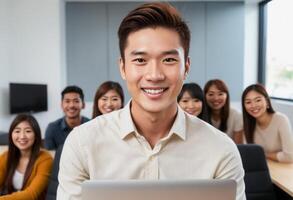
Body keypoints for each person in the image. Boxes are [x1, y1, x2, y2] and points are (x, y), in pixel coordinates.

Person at [57, 3, 246, 200]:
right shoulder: (82, 143)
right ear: (123, 67)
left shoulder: (221, 149)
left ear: (186, 67)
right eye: (140, 60)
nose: (154, 75)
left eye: (169, 60)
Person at [0, 114, 53, 199]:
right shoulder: (6, 156)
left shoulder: (46, 159)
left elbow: (31, 195)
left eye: (28, 131)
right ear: (11, 134)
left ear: (36, 135)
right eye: (17, 131)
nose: (22, 136)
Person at [242, 83, 293, 163]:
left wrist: (263, 154)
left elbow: (289, 156)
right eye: (248, 102)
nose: (253, 105)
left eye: (258, 100)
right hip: (261, 168)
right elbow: (249, 154)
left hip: (282, 169)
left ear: (267, 102)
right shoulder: (247, 123)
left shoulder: (281, 120)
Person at [44, 86, 89, 150]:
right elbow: (50, 155)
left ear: (83, 105)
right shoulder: (52, 128)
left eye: (76, 101)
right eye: (67, 101)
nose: (71, 105)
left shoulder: (91, 125)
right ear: (61, 105)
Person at [204, 79, 244, 144]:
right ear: (205, 96)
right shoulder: (200, 115)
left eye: (220, 94)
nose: (216, 98)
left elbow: (239, 147)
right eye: (211, 94)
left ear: (226, 96)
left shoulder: (236, 116)